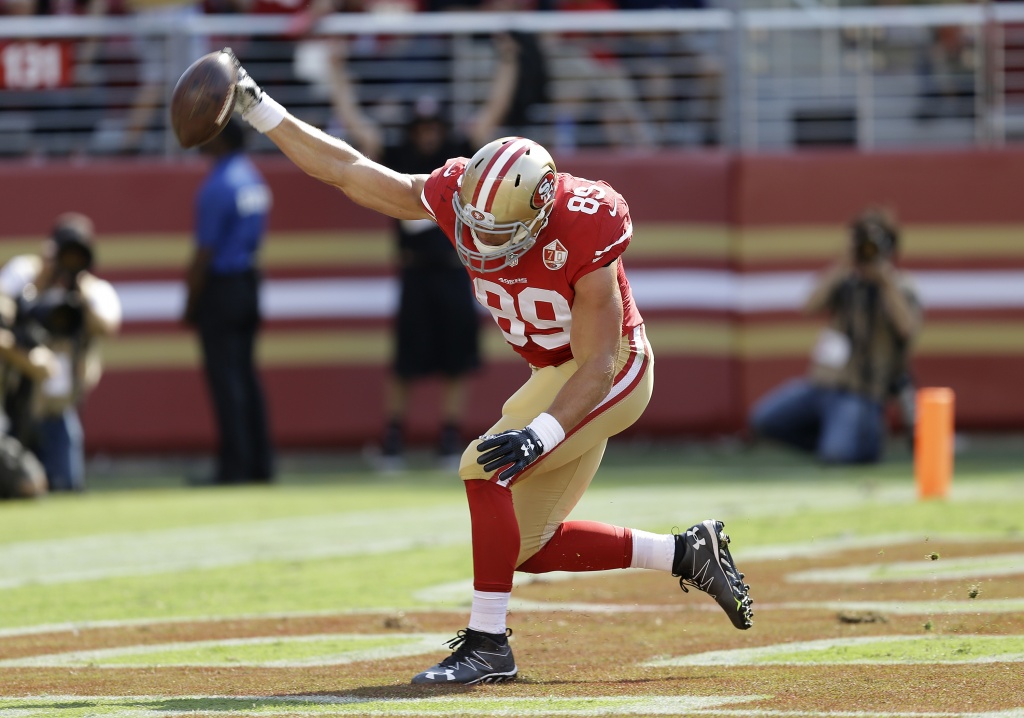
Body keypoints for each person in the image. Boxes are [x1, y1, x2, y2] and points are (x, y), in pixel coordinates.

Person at [222, 47, 753, 684]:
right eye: (471, 222)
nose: (478, 241)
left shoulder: (587, 226)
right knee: (522, 545)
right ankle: (688, 553)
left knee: (483, 464)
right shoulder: (462, 193)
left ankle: (487, 646)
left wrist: (543, 432)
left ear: (539, 214)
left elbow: (599, 360)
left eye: (497, 231)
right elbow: (350, 170)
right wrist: (259, 108)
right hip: (556, 374)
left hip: (611, 373)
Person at [329, 46, 487, 470]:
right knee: (406, 361)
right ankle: (394, 438)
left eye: (433, 125)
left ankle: (449, 438)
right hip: (415, 273)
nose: (428, 133)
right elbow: (359, 134)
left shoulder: (459, 156)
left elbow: (491, 117)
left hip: (455, 272)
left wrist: (508, 66)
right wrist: (337, 75)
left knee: (457, 360)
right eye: (421, 126)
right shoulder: (399, 158)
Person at [749, 207, 922, 465]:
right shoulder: (846, 283)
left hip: (861, 392)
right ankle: (842, 438)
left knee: (837, 455)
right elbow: (808, 306)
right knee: (764, 419)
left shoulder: (901, 287)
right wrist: (843, 263)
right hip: (821, 385)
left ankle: (861, 440)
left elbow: (908, 329)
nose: (867, 251)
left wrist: (884, 280)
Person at [183, 117, 275, 485]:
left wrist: (190, 301)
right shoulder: (253, 178)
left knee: (226, 381)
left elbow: (204, 252)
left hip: (222, 287)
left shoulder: (217, 185)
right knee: (247, 377)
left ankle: (234, 467)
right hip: (250, 282)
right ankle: (260, 463)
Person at [0, 212, 122, 491]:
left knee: (66, 489)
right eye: (64, 255)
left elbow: (109, 324)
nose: (68, 265)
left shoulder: (91, 291)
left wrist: (81, 294)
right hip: (18, 404)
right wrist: (37, 286)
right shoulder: (26, 274)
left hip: (59, 410)